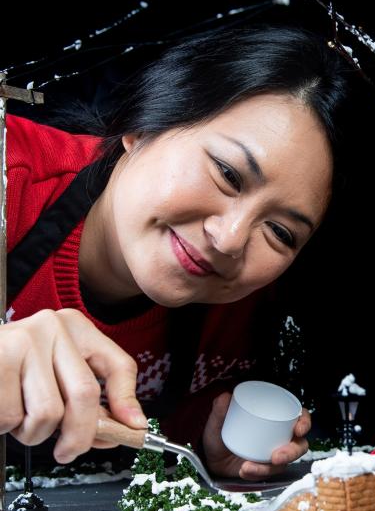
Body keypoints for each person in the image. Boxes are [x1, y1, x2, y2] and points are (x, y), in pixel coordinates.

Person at [1, 24, 354, 481]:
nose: (229, 239)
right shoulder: (11, 172)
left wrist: (210, 448)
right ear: (143, 124)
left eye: (280, 232)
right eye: (228, 173)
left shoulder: (240, 312)